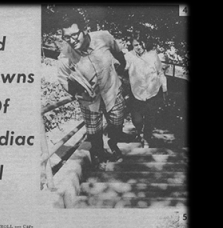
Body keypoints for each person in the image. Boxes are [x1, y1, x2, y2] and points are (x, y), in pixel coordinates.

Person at [56, 11, 137, 163]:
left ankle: (113, 141)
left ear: (84, 29)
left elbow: (118, 54)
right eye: (66, 37)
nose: (71, 40)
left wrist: (120, 70)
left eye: (74, 35)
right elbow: (63, 80)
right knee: (94, 133)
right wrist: (76, 92)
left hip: (112, 92)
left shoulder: (103, 37)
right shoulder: (64, 57)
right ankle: (99, 153)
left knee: (117, 122)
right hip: (89, 102)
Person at [124, 33, 168, 148]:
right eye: (135, 45)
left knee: (150, 118)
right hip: (136, 93)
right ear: (132, 46)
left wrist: (164, 89)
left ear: (145, 43)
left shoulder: (153, 55)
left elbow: (160, 72)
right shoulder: (129, 56)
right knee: (136, 119)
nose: (138, 47)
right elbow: (121, 68)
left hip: (152, 92)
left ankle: (147, 138)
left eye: (140, 44)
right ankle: (139, 132)